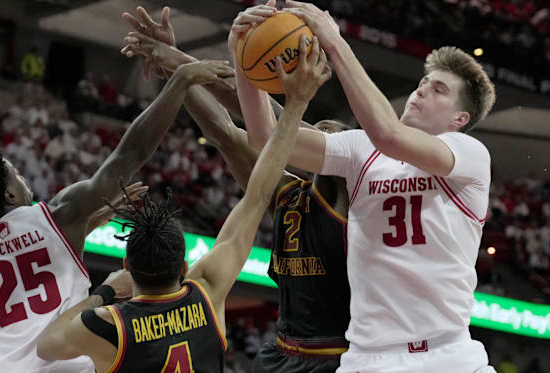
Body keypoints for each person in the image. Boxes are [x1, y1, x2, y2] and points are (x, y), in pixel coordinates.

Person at [34, 33, 331, 373]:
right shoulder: (207, 291)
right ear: (185, 267)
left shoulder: (106, 324)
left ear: (128, 267)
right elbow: (257, 194)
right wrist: (294, 107)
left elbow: (46, 345)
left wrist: (105, 291)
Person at [233, 0, 497, 373]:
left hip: (447, 356)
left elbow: (388, 133)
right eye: (422, 84)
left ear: (460, 118)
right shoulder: (361, 149)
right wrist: (242, 57)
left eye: (438, 90)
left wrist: (336, 44)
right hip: (368, 359)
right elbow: (266, 138)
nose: (421, 92)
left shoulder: (469, 155)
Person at [0, 59, 234, 373]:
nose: (24, 178)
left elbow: (19, 258)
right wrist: (179, 81)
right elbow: (130, 153)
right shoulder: (61, 214)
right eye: (16, 175)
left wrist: (92, 220)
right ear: (10, 195)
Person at [120, 3, 352, 372]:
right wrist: (180, 72)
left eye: (329, 133)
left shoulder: (348, 198)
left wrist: (180, 60)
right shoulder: (288, 195)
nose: (319, 136)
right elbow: (224, 133)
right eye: (318, 128)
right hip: (282, 349)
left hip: (334, 355)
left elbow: (279, 122)